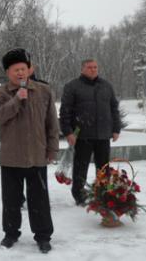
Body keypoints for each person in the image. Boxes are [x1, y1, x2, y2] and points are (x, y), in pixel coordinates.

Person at [0, 48, 59, 253]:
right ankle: (11, 234)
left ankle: (43, 236)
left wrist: (52, 148)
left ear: (29, 69)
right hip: (11, 156)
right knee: (11, 199)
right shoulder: (0, 93)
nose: (20, 73)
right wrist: (16, 100)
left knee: (39, 199)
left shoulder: (44, 91)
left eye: (23, 69)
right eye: (15, 70)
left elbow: (52, 123)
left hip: (37, 154)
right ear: (7, 73)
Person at [59, 59, 121, 206]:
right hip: (82, 135)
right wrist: (68, 132)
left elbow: (114, 109)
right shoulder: (72, 86)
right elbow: (65, 111)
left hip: (103, 135)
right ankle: (80, 196)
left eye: (95, 67)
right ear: (82, 69)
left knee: (103, 168)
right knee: (81, 167)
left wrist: (116, 129)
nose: (93, 70)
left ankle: (103, 192)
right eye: (89, 67)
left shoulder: (106, 86)